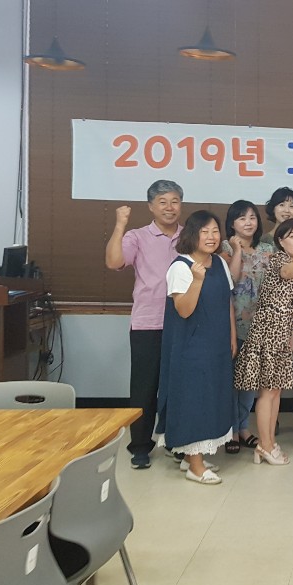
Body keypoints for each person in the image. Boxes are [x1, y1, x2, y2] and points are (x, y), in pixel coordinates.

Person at [104, 179, 183, 469]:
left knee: (178, 387)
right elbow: (114, 262)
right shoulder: (137, 236)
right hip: (148, 322)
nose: (169, 207)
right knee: (144, 389)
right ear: (151, 206)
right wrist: (120, 224)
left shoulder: (190, 236)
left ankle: (178, 442)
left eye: (174, 201)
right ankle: (139, 446)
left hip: (183, 323)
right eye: (162, 202)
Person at [155, 211, 236, 485]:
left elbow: (227, 303)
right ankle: (195, 466)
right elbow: (184, 310)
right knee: (194, 400)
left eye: (215, 231)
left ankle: (193, 457)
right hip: (191, 347)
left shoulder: (220, 263)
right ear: (192, 234)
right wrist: (197, 280)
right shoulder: (180, 267)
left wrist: (232, 336)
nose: (211, 237)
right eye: (205, 232)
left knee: (212, 397)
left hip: (217, 344)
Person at [234, 219, 293, 466]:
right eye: (292, 236)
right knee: (267, 394)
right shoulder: (280, 260)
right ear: (280, 241)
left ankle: (267, 443)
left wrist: (290, 330)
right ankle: (265, 445)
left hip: (281, 335)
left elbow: (286, 298)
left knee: (275, 392)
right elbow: (287, 273)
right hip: (268, 334)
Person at [221, 200, 273, 454]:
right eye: (242, 218)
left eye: (252, 217)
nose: (248, 222)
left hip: (262, 325)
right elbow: (230, 280)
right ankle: (230, 430)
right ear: (232, 223)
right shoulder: (223, 248)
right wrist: (237, 250)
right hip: (233, 325)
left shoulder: (267, 249)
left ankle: (243, 428)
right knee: (233, 381)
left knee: (250, 381)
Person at [258, 186, 293, 434]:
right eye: (281, 204)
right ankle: (269, 426)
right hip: (273, 316)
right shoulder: (265, 242)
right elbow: (281, 274)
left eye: (291, 205)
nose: (287, 210)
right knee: (271, 376)